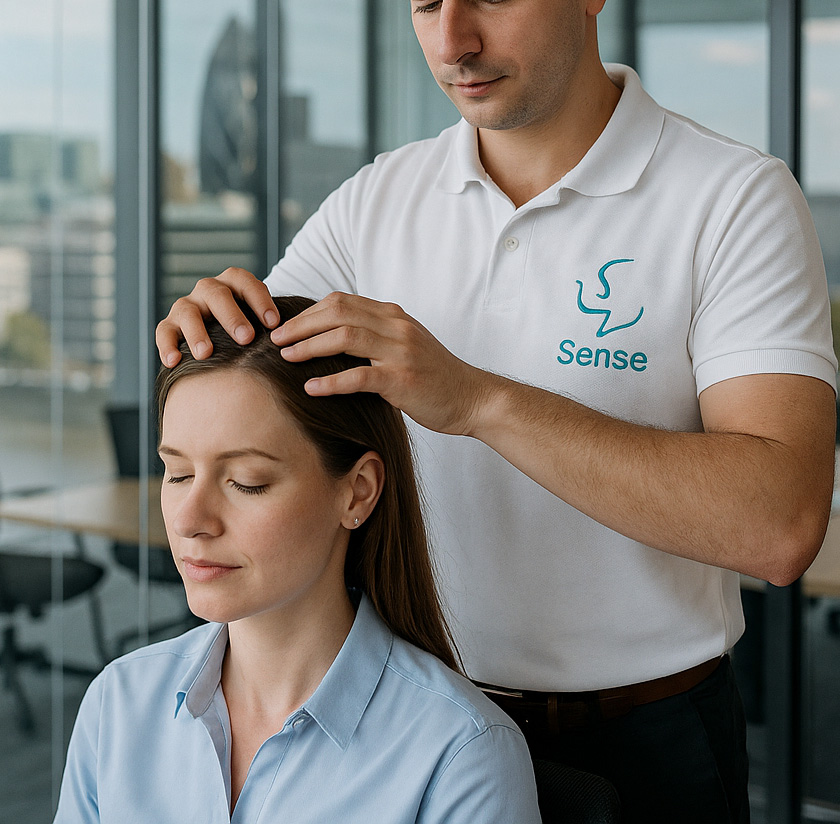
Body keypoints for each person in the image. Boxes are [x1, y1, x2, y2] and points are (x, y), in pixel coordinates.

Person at [155, 2, 838, 821]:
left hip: (644, 748)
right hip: (410, 728)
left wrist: (478, 399)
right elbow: (259, 409)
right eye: (426, 5)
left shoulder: (733, 199)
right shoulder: (375, 201)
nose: (453, 44)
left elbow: (781, 527)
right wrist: (208, 324)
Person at [54, 296, 541, 823]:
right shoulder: (118, 705)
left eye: (247, 482)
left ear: (357, 493)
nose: (191, 520)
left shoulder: (459, 756)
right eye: (177, 474)